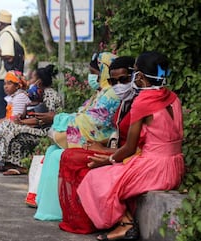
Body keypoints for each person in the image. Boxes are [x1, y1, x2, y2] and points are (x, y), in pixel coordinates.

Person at [78, 51, 185, 241]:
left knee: (94, 178)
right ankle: (125, 224)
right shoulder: (173, 98)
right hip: (175, 167)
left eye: (135, 71)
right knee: (112, 175)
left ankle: (125, 224)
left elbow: (129, 147)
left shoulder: (143, 102)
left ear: (141, 77)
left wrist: (106, 161)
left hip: (154, 168)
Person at [33, 52, 120, 221]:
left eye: (94, 73)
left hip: (100, 141)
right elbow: (82, 114)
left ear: (104, 72)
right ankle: (47, 205)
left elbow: (92, 123)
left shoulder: (112, 94)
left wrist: (56, 119)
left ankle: (60, 211)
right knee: (52, 152)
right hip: (91, 136)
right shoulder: (102, 92)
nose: (92, 77)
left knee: (60, 155)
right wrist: (60, 120)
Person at [58, 56, 137, 234]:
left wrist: (105, 152)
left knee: (75, 158)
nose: (118, 85)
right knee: (71, 155)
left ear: (135, 76)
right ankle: (85, 218)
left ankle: (119, 220)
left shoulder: (139, 102)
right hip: (117, 149)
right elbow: (117, 132)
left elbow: (135, 146)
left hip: (129, 156)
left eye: (123, 80)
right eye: (113, 81)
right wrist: (99, 144)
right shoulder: (125, 100)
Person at [0, 64, 62, 176]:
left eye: (32, 78)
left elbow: (44, 119)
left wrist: (22, 122)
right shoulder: (39, 94)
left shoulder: (50, 94)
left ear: (39, 81)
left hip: (46, 130)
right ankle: (5, 162)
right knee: (7, 125)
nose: (29, 81)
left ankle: (21, 166)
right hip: (39, 127)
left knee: (14, 129)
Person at [0, 9, 23, 119]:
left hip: (3, 79)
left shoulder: (6, 35)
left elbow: (9, 56)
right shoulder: (9, 33)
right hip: (8, 79)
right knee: (7, 111)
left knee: (2, 112)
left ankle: (2, 134)